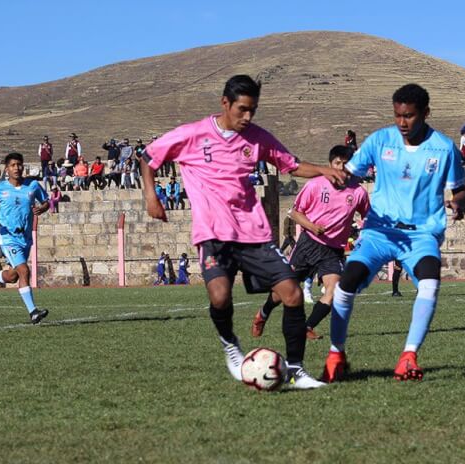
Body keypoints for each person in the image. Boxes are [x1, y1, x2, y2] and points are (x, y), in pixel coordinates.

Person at [141, 74, 346, 389]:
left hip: (254, 233)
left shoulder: (258, 138)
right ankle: (229, 344)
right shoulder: (193, 134)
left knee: (291, 293)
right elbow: (148, 158)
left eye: (253, 110)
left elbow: (289, 164)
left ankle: (295, 370)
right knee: (220, 296)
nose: (247, 117)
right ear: (225, 103)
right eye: (242, 110)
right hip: (213, 233)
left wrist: (322, 170)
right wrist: (151, 197)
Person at [321, 83, 465, 383]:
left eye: (409, 116)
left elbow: (460, 189)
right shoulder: (380, 140)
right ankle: (336, 354)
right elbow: (350, 172)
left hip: (421, 235)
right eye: (398, 115)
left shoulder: (444, 147)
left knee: (430, 281)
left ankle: (408, 356)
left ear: (426, 113)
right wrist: (331, 179)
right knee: (346, 284)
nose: (402, 123)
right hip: (379, 233)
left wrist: (458, 203)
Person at [251, 145, 370, 341]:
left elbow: (369, 217)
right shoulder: (315, 185)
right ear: (330, 164)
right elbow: (296, 213)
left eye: (346, 164)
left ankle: (307, 327)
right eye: (337, 163)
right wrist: (313, 227)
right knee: (284, 291)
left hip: (333, 251)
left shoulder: (358, 193)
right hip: (309, 244)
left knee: (335, 291)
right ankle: (263, 313)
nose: (341, 167)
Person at [0, 152, 50, 324]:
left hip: (25, 238)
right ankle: (33, 312)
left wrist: (43, 208)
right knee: (24, 270)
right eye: (12, 165)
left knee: (13, 276)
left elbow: (46, 201)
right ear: (6, 169)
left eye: (19, 164)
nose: (16, 168)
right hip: (7, 237)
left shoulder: (32, 185)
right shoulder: (0, 188)